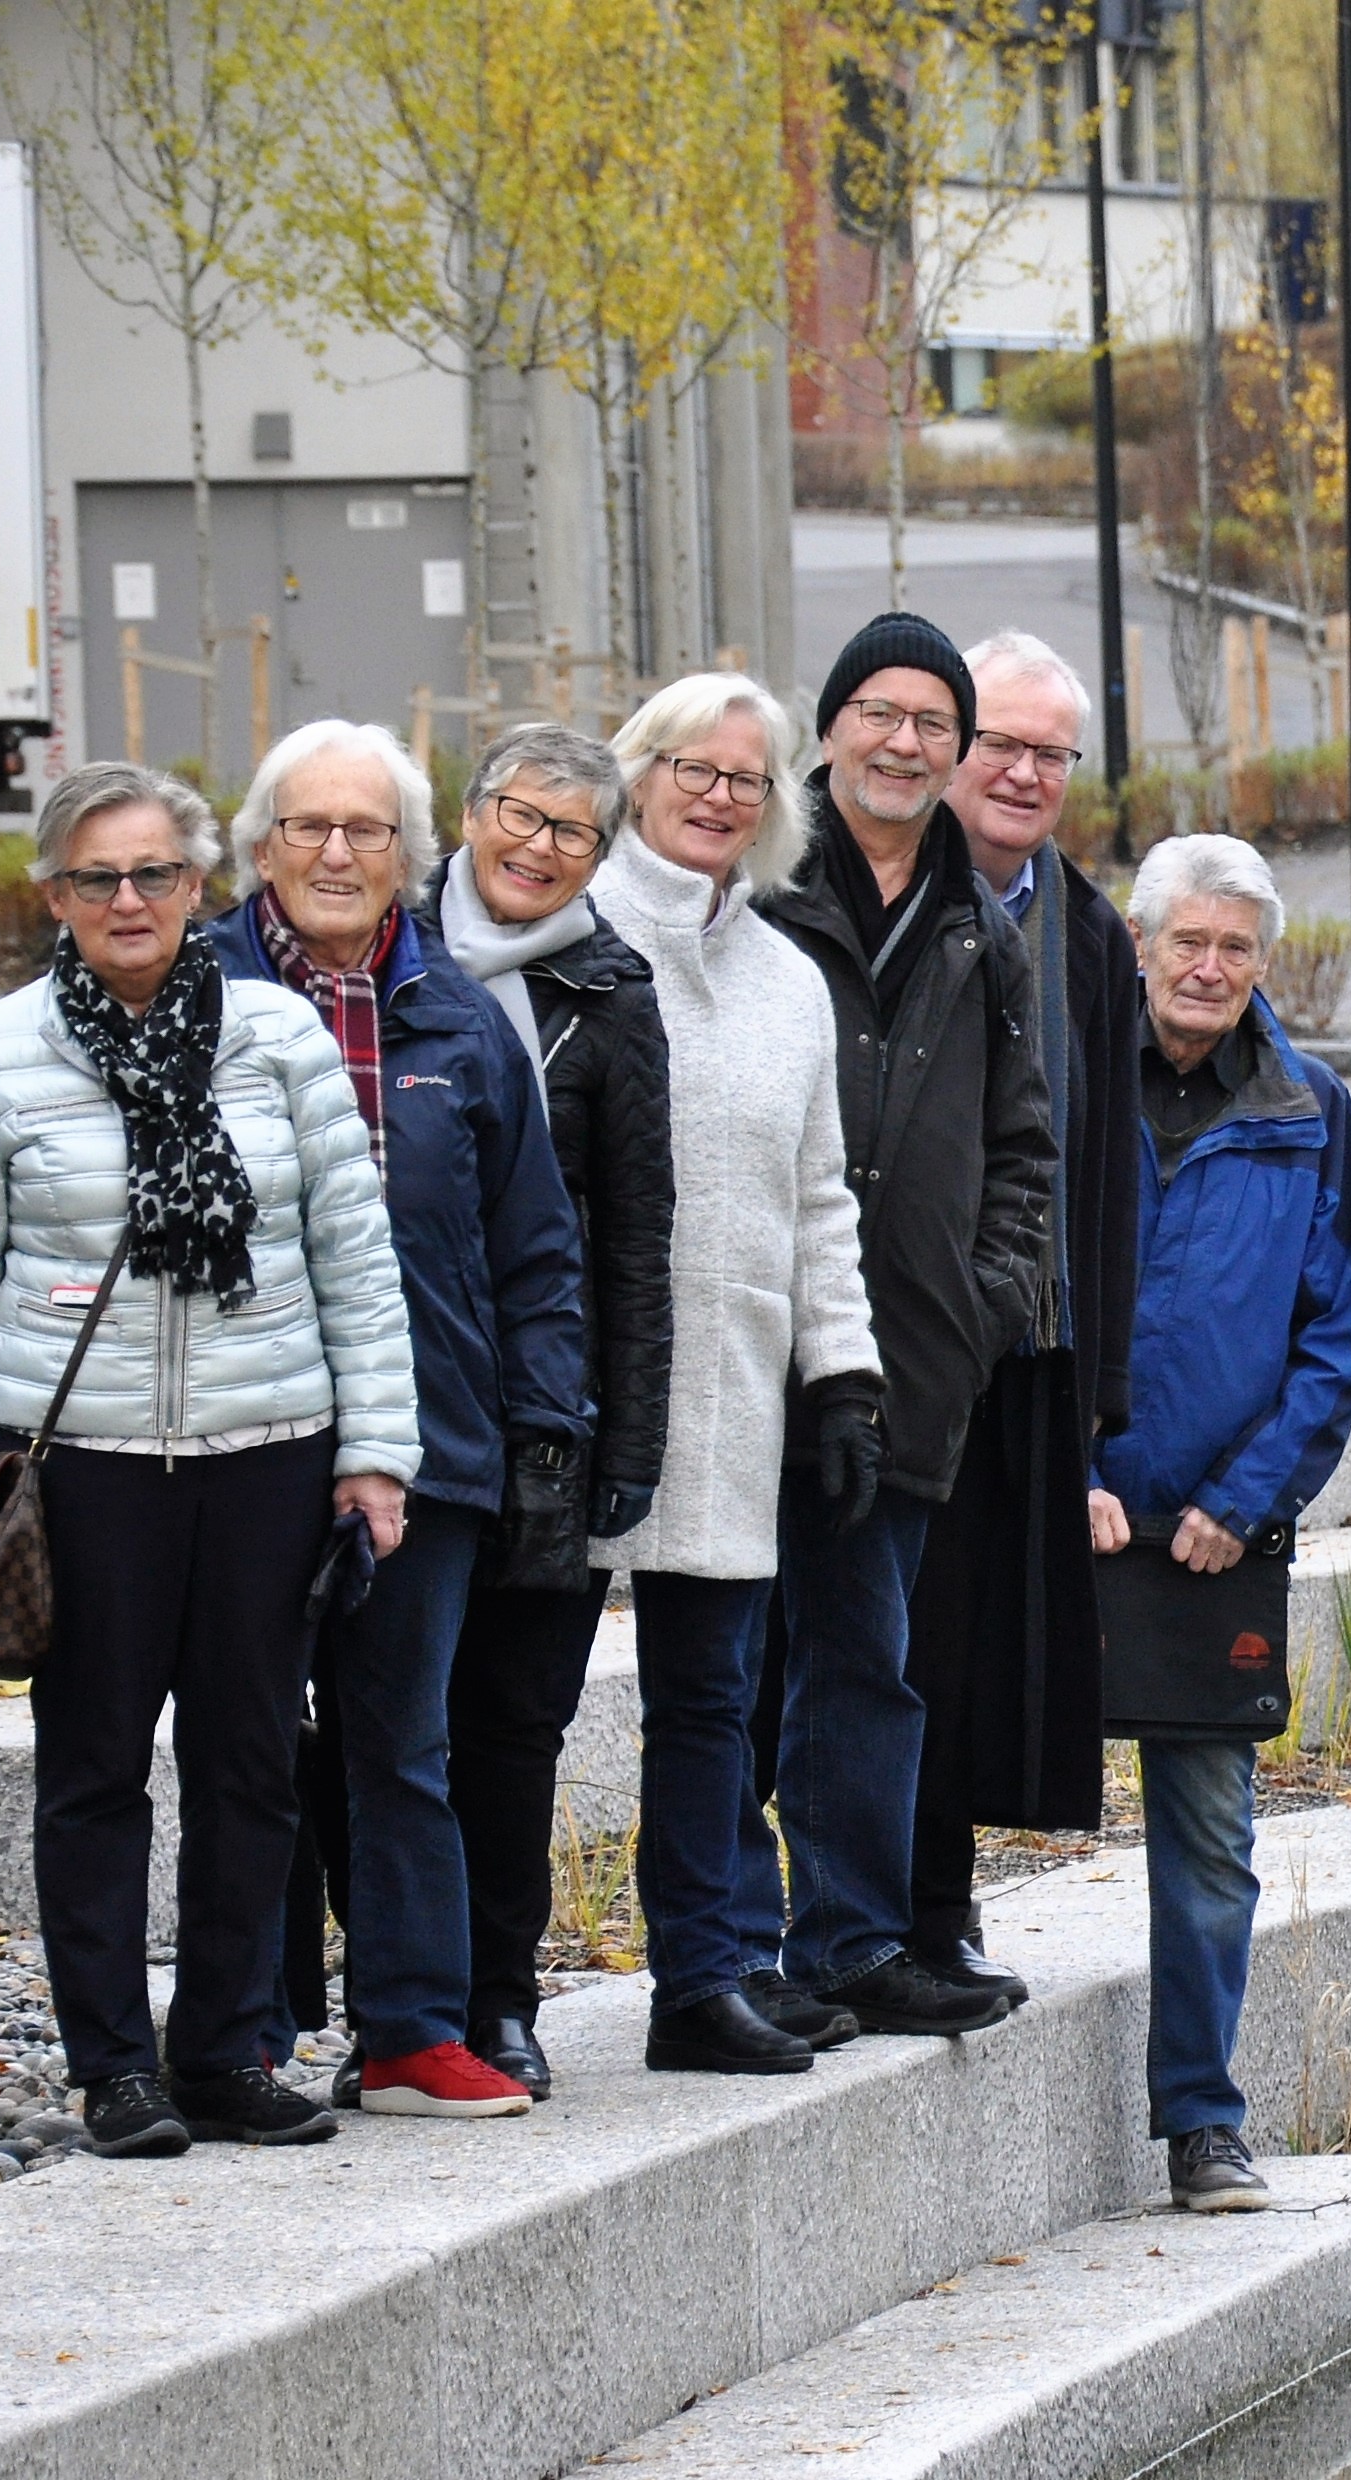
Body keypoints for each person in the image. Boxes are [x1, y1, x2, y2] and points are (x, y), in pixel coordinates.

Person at [0, 761, 415, 2158]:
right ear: (54, 895)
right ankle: (113, 2067)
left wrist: (376, 1453)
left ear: (198, 887)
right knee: (95, 1769)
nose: (129, 900)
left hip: (268, 1455)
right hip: (86, 1469)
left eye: (155, 874)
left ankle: (224, 2051)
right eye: (96, 878)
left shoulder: (278, 1039)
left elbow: (357, 1261)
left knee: (251, 1765)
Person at [209, 718, 587, 2124]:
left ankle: (412, 2028)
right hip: (239, 1443)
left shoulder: (464, 1019)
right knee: (249, 1747)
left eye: (364, 830)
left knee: (405, 1748)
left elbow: (534, 1250)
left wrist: (544, 1431)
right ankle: (237, 2031)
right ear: (261, 846)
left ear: (408, 857)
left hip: (428, 1451)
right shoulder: (198, 995)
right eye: (307, 826)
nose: (334, 853)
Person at [750, 613, 1057, 2038]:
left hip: (915, 1360)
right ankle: (728, 1947)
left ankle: (854, 1944)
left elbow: (1024, 1152)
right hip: (753, 1347)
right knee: (736, 1671)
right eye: (878, 711)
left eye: (933, 721)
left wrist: (984, 1305)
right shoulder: (753, 899)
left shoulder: (980, 937)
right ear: (829, 733)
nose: (904, 741)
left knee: (870, 1661)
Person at [588, 670, 886, 2077]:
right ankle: (459, 2000)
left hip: (730, 1395)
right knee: (499, 1707)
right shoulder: (563, 944)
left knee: (711, 1705)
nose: (719, 796)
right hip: (571, 1399)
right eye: (692, 769)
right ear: (636, 775)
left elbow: (821, 1197)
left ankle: (702, 1981)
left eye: (746, 779)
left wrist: (842, 1373)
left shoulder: (786, 980)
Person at [1087, 834, 1351, 2216]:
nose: (1209, 968)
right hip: (1068, 1518)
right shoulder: (1071, 1085)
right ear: (1138, 945)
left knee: (1209, 1843)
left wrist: (1240, 1502)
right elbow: (1020, 1285)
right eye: (1185, 941)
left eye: (1236, 948)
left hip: (1217, 1542)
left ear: (1264, 962)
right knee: (946, 1789)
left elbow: (1339, 1340)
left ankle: (1203, 2123)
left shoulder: (1311, 1111)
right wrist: (1060, 1472)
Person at [432, 723, 677, 2100]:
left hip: (546, 1418)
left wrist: (625, 1441)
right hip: (396, 1410)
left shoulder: (608, 989)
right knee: (385, 1723)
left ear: (602, 855)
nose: (537, 846)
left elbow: (639, 1235)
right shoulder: (382, 958)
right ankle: (397, 2001)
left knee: (516, 1725)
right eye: (519, 816)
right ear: (473, 816)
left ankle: (498, 1996)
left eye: (572, 832)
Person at [911, 629, 1146, 2008]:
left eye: (1049, 753)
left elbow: (1108, 1170)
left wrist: (1097, 1389)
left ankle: (940, 1914)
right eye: (998, 741)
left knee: (986, 1654)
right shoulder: (882, 901)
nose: (1021, 771)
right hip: (904, 1350)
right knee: (895, 1647)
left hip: (1035, 1356)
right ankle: (859, 1916)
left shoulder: (1088, 929)